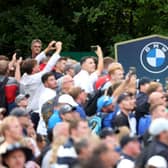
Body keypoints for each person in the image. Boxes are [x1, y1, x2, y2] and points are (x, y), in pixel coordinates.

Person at [20, 41, 62, 116]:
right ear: (33, 69)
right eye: (37, 65)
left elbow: (36, 60)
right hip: (36, 111)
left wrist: (47, 49)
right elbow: (49, 65)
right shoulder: (36, 78)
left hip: (29, 109)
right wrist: (58, 50)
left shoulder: (25, 76)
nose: (39, 65)